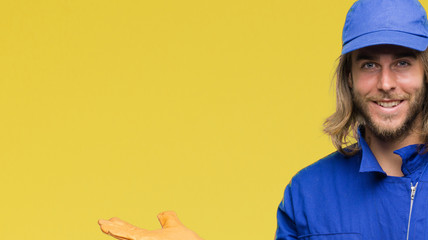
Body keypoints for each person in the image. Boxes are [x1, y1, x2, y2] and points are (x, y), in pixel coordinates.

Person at [98, 0, 428, 239]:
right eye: (369, 65)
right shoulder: (308, 193)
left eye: (402, 62)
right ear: (349, 78)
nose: (386, 83)